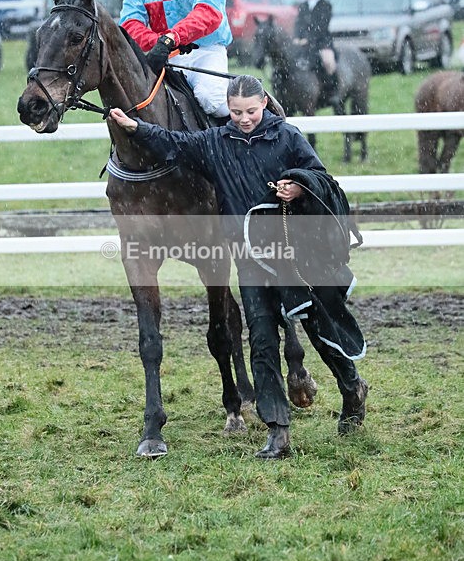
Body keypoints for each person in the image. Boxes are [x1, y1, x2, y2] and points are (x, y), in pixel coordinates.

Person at [108, 75, 368, 459]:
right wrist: (135, 127)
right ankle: (278, 432)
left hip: (291, 256)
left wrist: (297, 184)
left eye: (250, 111)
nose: (244, 119)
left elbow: (322, 177)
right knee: (261, 341)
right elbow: (175, 143)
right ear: (227, 110)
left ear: (263, 103)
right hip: (249, 259)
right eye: (236, 112)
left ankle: (352, 388)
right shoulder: (216, 143)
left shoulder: (287, 137)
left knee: (317, 329)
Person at [294, 0, 340, 108]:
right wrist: (297, 37)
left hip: (322, 42)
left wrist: (308, 39)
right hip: (304, 44)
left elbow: (322, 27)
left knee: (328, 61)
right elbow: (299, 23)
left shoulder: (326, 6)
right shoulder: (302, 6)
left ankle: (334, 92)